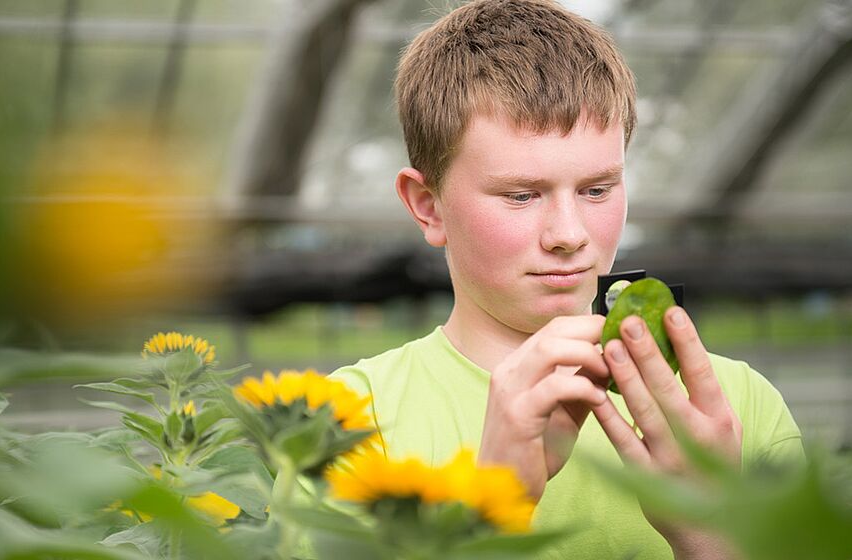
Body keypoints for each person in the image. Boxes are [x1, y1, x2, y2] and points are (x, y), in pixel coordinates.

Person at [329, 1, 804, 558]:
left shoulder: (735, 406)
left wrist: (709, 532)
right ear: (428, 206)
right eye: (521, 195)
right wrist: (492, 509)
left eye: (597, 189)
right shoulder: (347, 421)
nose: (569, 234)